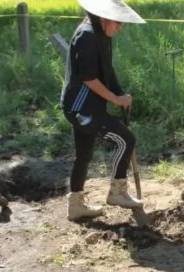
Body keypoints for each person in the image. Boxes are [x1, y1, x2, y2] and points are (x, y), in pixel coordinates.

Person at [60, 0, 145, 221]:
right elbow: (89, 79)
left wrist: (120, 94)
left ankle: (76, 206)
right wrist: (115, 99)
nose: (120, 28)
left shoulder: (102, 35)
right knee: (126, 139)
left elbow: (107, 70)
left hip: (88, 105)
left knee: (84, 155)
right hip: (80, 108)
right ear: (104, 17)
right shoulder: (87, 36)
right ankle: (117, 192)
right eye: (118, 22)